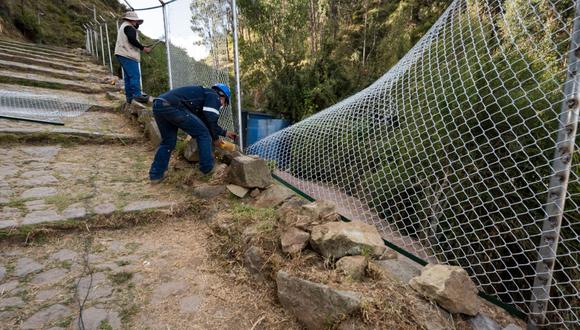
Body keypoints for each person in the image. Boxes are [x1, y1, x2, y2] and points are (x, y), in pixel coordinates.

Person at [149, 83, 237, 183]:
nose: (222, 105)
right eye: (224, 102)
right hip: (173, 106)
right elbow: (210, 120)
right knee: (204, 135)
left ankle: (156, 175)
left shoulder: (204, 96)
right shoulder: (214, 96)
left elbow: (206, 121)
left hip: (159, 104)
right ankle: (207, 169)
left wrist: (224, 132)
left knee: (168, 142)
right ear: (222, 96)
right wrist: (216, 139)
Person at [114, 11, 151, 104]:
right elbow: (131, 39)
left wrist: (141, 45)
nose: (137, 23)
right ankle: (137, 95)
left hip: (121, 53)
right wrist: (143, 48)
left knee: (128, 77)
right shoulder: (129, 27)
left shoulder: (124, 26)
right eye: (136, 21)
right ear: (131, 20)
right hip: (127, 54)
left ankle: (129, 98)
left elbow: (130, 40)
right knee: (135, 75)